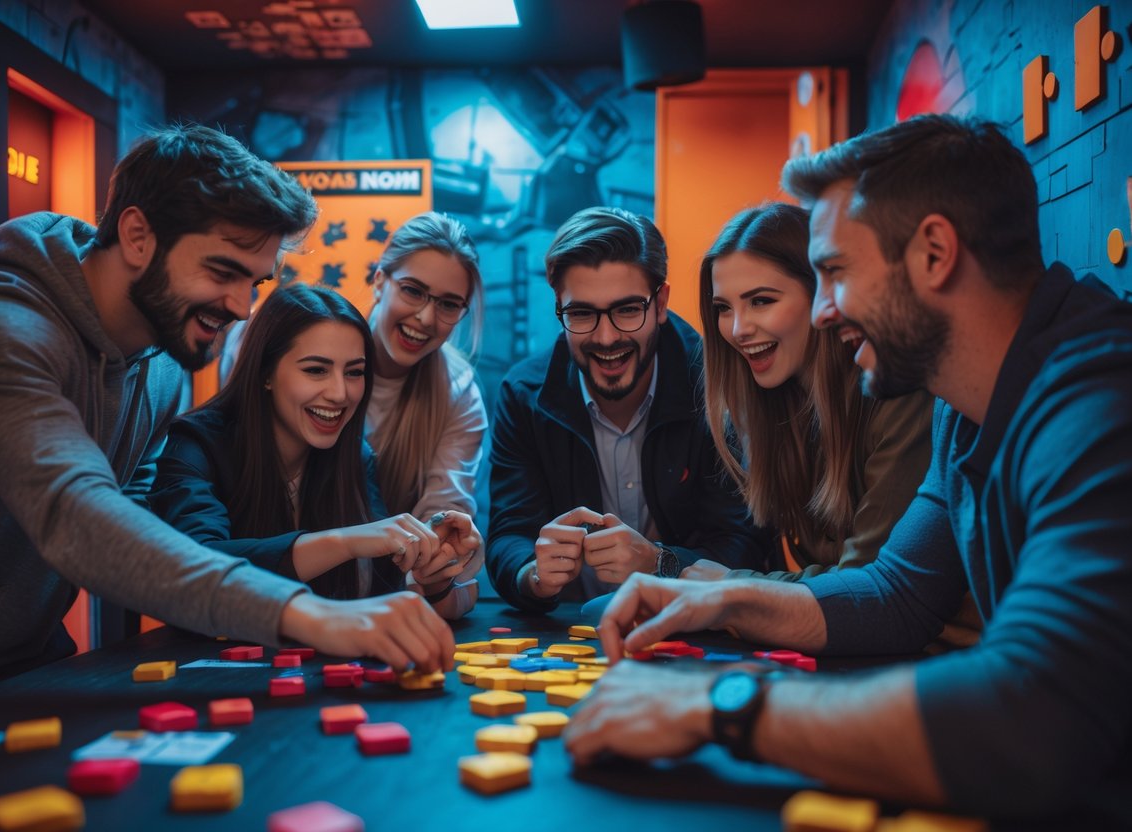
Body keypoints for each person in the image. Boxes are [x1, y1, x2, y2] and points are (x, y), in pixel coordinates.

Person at [563, 115, 1132, 823]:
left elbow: (1032, 719)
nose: (824, 310)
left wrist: (721, 703)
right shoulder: (966, 406)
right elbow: (895, 596)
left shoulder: (1100, 400)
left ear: (933, 253)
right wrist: (720, 599)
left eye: (832, 272)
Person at [0, 125, 454, 701]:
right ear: (137, 235)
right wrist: (316, 616)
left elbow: (149, 533)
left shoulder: (165, 364)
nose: (241, 307)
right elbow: (79, 518)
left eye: (255, 282)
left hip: (27, 664)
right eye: (223, 272)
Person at [486, 206, 769, 611]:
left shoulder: (718, 385)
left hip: (698, 629)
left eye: (627, 310)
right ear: (559, 307)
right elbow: (508, 535)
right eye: (581, 313)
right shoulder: (523, 393)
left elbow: (744, 543)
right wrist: (531, 572)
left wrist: (661, 563)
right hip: (566, 640)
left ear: (660, 304)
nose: (606, 337)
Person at [150, 282, 481, 615]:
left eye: (354, 372)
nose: (339, 393)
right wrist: (345, 541)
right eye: (316, 370)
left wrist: (433, 571)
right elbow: (195, 568)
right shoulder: (195, 445)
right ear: (266, 372)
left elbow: (385, 592)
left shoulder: (353, 454)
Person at [691, 202, 934, 583]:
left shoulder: (896, 393)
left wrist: (733, 587)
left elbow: (867, 588)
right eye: (723, 308)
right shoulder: (776, 410)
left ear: (822, 297)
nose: (737, 329)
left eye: (761, 301)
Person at [364, 212, 488, 618]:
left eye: (449, 304)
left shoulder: (458, 390)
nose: (425, 318)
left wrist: (441, 547)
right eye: (413, 291)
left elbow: (445, 515)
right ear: (380, 280)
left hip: (393, 597)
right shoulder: (311, 354)